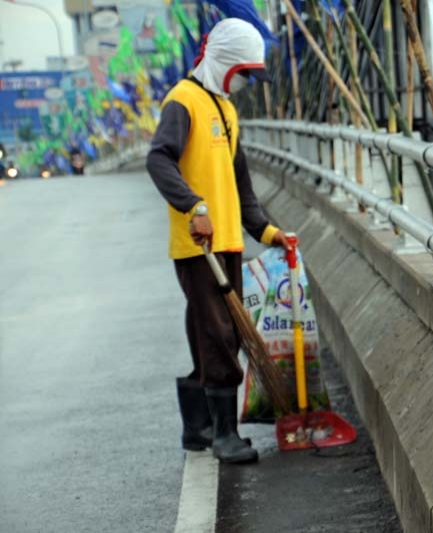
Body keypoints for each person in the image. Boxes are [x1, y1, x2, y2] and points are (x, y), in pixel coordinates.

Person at [146, 18, 294, 464]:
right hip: (198, 246)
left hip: (228, 242)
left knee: (205, 330)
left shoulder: (226, 111)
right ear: (225, 63)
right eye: (244, 72)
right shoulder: (183, 102)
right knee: (219, 333)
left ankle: (199, 427)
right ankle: (224, 434)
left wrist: (268, 232)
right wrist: (195, 208)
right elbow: (159, 159)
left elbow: (241, 186)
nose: (247, 82)